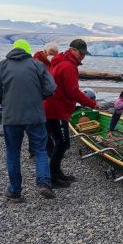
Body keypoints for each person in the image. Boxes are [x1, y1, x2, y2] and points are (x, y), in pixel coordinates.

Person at [0, 39, 57, 202]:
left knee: (13, 152)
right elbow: (51, 88)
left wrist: (6, 103)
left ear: (13, 49)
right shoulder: (37, 65)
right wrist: (38, 99)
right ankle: (44, 183)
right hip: (35, 115)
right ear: (27, 50)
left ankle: (15, 191)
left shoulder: (1, 66)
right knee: (40, 150)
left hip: (11, 117)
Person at [44, 39, 98, 187]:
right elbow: (73, 91)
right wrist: (92, 104)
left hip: (53, 107)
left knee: (59, 142)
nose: (82, 56)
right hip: (57, 109)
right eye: (81, 53)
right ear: (73, 50)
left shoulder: (61, 62)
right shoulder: (68, 66)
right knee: (62, 143)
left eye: (84, 54)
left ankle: (56, 173)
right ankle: (53, 176)